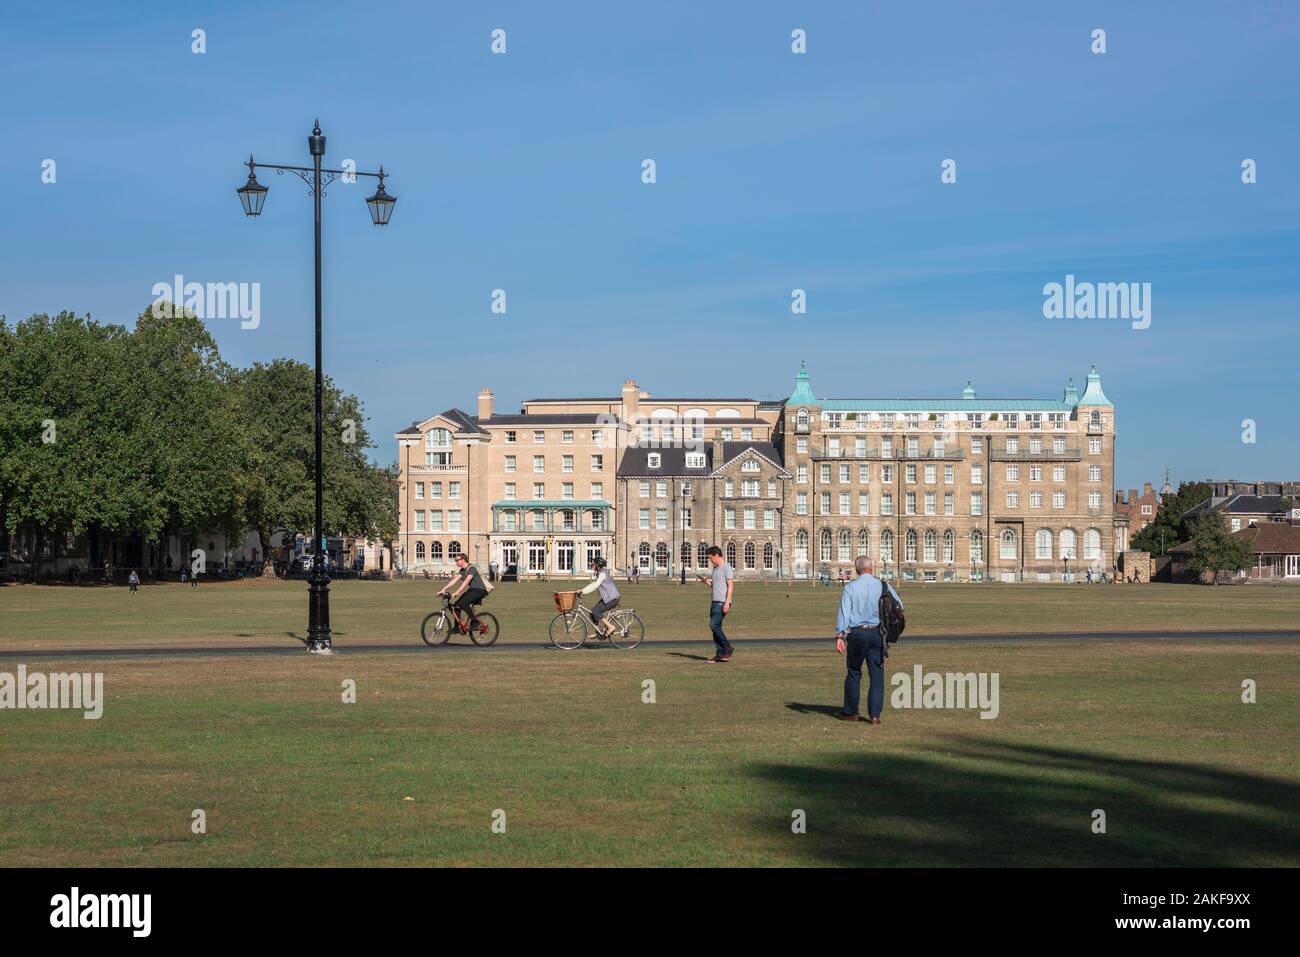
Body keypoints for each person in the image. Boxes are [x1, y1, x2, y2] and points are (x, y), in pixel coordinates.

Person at [835, 556, 902, 724]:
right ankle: (875, 715)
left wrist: (840, 636)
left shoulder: (850, 587)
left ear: (857, 569)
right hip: (877, 634)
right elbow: (899, 606)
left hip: (857, 634)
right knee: (877, 676)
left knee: (854, 672)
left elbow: (845, 613)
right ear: (871, 568)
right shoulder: (883, 585)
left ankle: (851, 712)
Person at [696, 545, 735, 662]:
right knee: (715, 628)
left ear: (717, 555)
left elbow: (730, 586)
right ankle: (720, 654)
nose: (710, 560)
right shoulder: (716, 568)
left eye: (711, 558)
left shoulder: (726, 567)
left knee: (714, 625)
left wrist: (727, 603)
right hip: (714, 602)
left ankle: (727, 647)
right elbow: (715, 586)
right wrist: (705, 582)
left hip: (722, 602)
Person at [437, 552, 488, 633]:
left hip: (479, 590)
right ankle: (457, 628)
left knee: (463, 604)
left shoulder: (472, 568)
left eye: (457, 560)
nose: (456, 562)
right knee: (456, 606)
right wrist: (444, 589)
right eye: (455, 560)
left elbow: (466, 582)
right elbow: (455, 580)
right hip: (472, 590)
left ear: (463, 560)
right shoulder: (463, 570)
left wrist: (457, 592)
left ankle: (476, 623)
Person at [578, 557, 620, 638]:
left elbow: (595, 585)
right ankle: (598, 632)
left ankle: (611, 627)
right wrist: (582, 590)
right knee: (592, 612)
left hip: (612, 598)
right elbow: (593, 583)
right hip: (609, 598)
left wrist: (583, 591)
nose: (592, 565)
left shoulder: (602, 573)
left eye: (593, 564)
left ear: (598, 565)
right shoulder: (599, 573)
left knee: (595, 612)